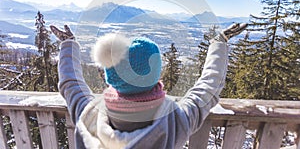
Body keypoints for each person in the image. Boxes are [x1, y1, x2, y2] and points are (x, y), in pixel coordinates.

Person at [50, 23, 247, 149]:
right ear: (154, 75)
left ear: (111, 75)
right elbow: (208, 87)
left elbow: (71, 84)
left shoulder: (90, 115)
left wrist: (68, 44)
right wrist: (220, 43)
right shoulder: (175, 119)